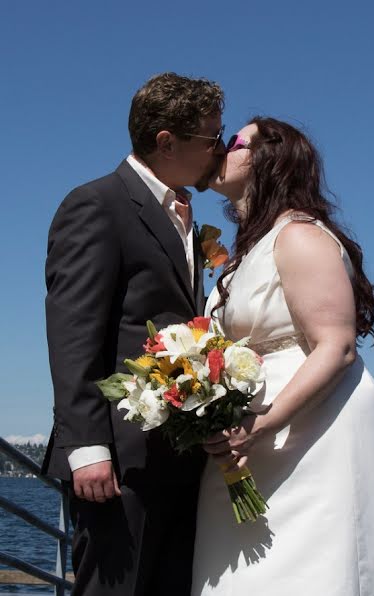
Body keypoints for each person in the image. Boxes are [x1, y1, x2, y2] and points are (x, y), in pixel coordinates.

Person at [192, 117, 374, 595]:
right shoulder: (248, 252)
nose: (220, 150)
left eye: (234, 142)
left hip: (307, 437)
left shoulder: (298, 235)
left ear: (270, 158)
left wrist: (261, 426)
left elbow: (336, 346)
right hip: (250, 445)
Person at [42, 73, 226, 596]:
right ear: (166, 142)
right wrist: (87, 448)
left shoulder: (186, 217)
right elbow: (73, 331)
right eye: (211, 138)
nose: (219, 149)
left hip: (175, 458)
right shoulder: (97, 205)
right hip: (118, 461)